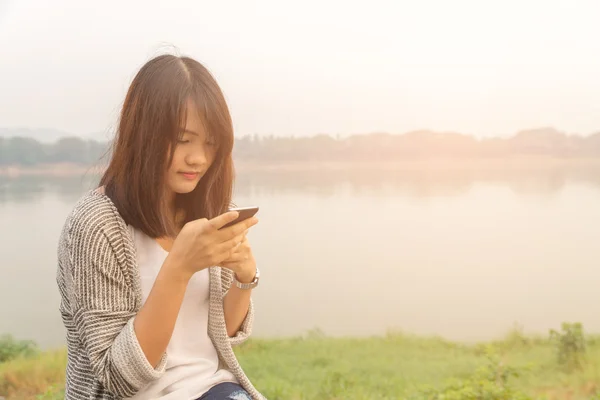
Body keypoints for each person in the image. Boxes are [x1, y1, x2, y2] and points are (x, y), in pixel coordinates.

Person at [56, 54, 264, 400]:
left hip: (213, 389)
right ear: (144, 134)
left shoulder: (210, 214)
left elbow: (221, 335)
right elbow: (118, 379)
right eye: (183, 139)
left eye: (210, 143)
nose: (198, 157)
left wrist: (245, 278)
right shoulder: (95, 225)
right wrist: (179, 268)